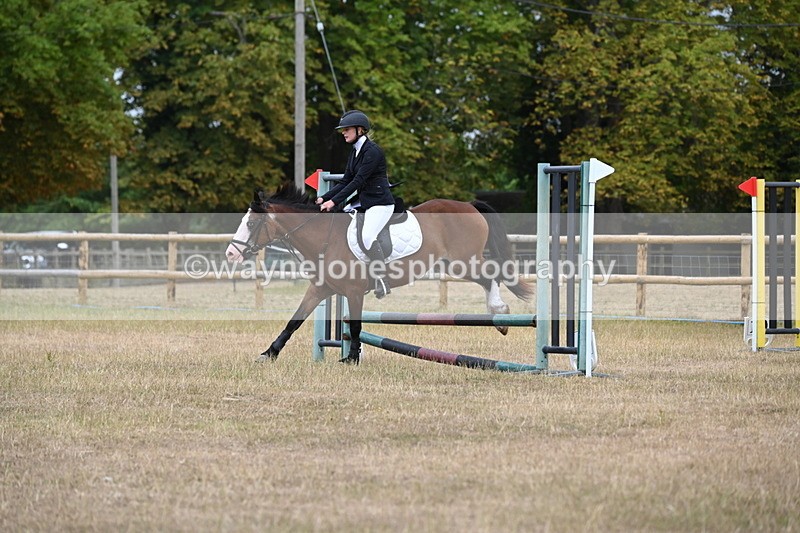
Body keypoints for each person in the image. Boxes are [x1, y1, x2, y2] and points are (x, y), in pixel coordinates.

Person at [316, 110, 395, 298]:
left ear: (360, 130)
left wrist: (333, 202)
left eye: (347, 129)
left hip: (381, 203)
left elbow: (357, 182)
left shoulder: (372, 152)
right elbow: (345, 181)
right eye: (343, 130)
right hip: (366, 203)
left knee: (367, 237)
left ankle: (382, 280)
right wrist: (324, 197)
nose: (344, 132)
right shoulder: (355, 152)